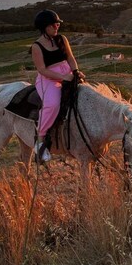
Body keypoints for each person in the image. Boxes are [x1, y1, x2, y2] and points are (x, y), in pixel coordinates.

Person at [31, 9, 85, 162]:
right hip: (48, 79)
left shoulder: (62, 39)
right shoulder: (37, 46)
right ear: (44, 27)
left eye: (57, 24)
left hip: (67, 73)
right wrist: (63, 77)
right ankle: (40, 140)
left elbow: (70, 57)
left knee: (86, 95)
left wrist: (76, 71)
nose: (57, 26)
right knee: (52, 104)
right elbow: (42, 69)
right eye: (54, 24)